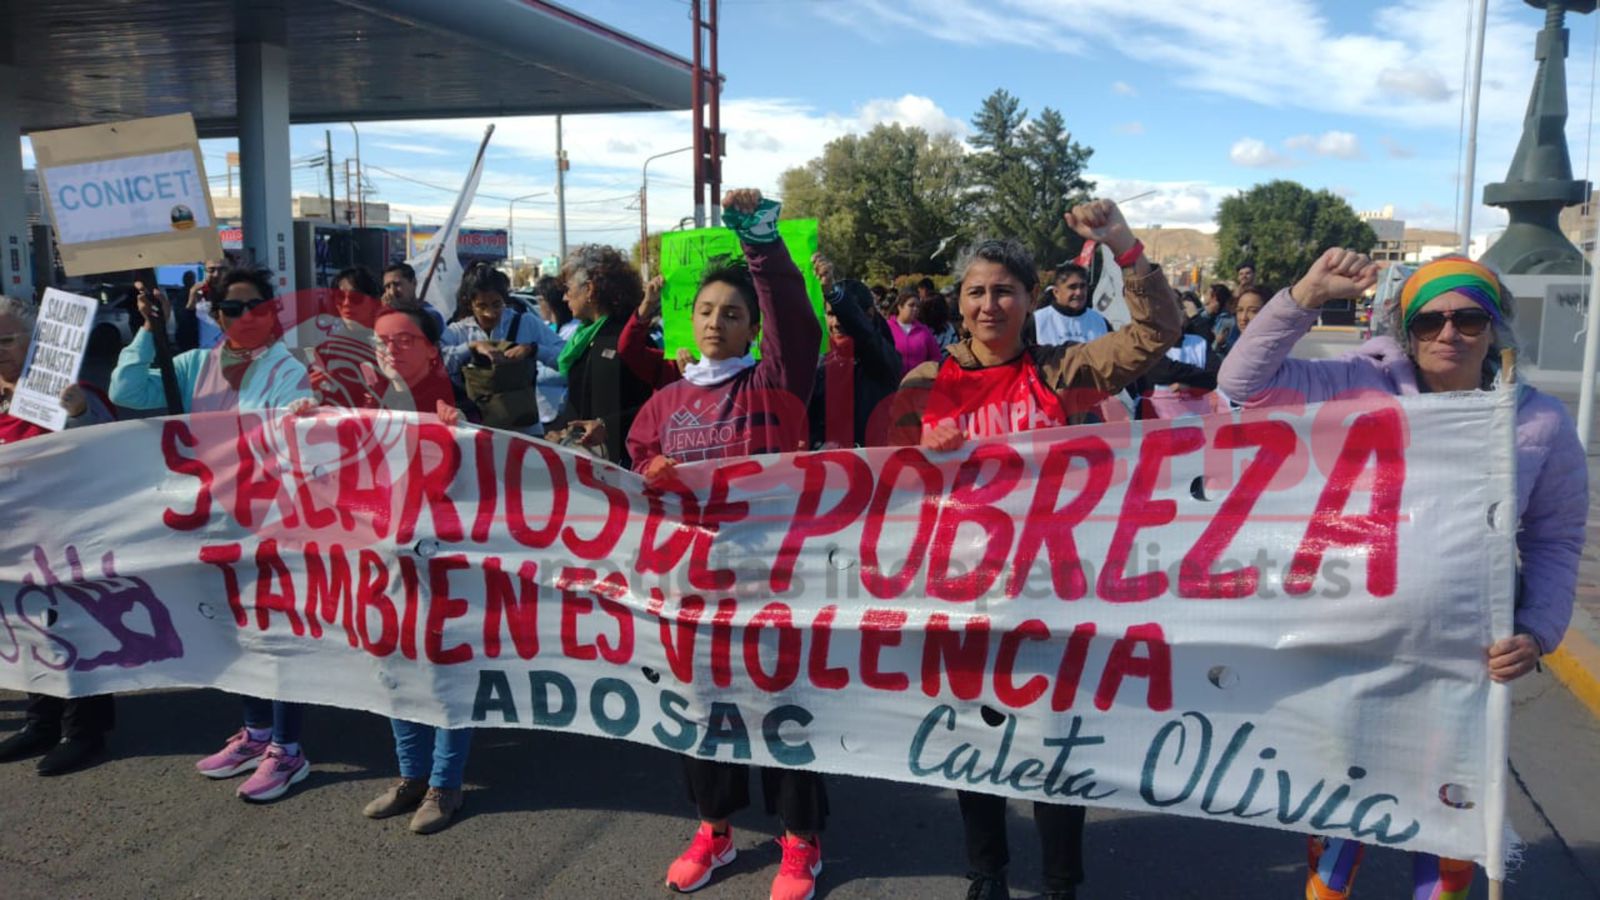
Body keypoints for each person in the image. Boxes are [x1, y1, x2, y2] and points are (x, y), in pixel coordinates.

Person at [1216, 252, 1587, 900]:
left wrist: (1538, 631)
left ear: (1495, 325)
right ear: (1406, 329)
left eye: (1469, 318)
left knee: (1445, 845)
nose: (1449, 333)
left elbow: (1555, 539)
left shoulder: (1540, 423)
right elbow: (1243, 388)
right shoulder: (1359, 385)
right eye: (1430, 320)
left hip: (1464, 670)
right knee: (1338, 834)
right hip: (1350, 662)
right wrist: (1303, 296)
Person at [913, 199, 1183, 900]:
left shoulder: (1065, 373)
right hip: (961, 602)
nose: (989, 303)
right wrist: (919, 450)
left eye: (1005, 289)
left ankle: (1062, 882)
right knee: (975, 744)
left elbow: (1157, 332)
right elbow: (882, 489)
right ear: (959, 303)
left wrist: (1124, 247)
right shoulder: (922, 386)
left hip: (1051, 595)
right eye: (976, 290)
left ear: (1031, 300)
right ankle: (987, 874)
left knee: (1055, 744)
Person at [626, 189, 826, 900]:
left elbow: (797, 327)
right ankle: (713, 828)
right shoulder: (661, 406)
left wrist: (762, 248)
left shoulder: (774, 382)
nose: (716, 322)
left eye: (733, 313)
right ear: (692, 319)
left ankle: (800, 841)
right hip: (693, 589)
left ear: (750, 329)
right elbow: (638, 482)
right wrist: (647, 477)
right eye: (707, 311)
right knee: (702, 708)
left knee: (784, 709)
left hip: (774, 583)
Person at [110, 266, 316, 803]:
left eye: (256, 307)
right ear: (216, 314)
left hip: (272, 520)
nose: (244, 317)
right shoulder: (193, 364)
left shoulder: (289, 369)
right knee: (235, 633)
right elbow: (126, 390)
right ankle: (257, 732)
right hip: (213, 521)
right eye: (232, 309)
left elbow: (276, 434)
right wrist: (149, 329)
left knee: (276, 634)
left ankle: (288, 750)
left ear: (272, 312)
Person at [0, 294, 118, 776]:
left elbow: (113, 449)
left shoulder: (73, 392)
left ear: (35, 341)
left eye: (6, 339)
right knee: (26, 631)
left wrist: (77, 415)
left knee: (73, 629)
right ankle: (40, 721)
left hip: (66, 538)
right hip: (12, 543)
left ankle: (83, 731)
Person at [546, 244, 654, 467]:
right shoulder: (582, 338)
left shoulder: (629, 338)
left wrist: (607, 426)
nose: (565, 298)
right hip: (584, 461)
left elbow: (655, 403)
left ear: (590, 289)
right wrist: (564, 433)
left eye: (568, 289)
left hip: (624, 464)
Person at [440, 263, 564, 435]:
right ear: (469, 304)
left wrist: (533, 349)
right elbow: (440, 367)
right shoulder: (458, 332)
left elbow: (564, 359)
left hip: (526, 431)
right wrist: (471, 347)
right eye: (481, 306)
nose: (490, 313)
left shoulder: (527, 323)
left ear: (505, 299)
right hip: (477, 432)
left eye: (496, 304)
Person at [809, 255, 902, 448]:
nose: (835, 323)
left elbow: (867, 336)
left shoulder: (883, 361)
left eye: (842, 314)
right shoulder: (820, 368)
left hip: (877, 471)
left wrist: (833, 294)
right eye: (830, 314)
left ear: (868, 315)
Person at [533, 275, 579, 427]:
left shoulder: (576, 330)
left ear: (550, 301)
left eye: (540, 300)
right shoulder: (544, 327)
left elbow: (568, 370)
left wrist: (531, 371)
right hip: (540, 412)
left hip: (562, 411)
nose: (538, 305)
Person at [1033, 262, 1112, 346]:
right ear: (1056, 292)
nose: (1078, 292)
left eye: (1082, 286)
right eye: (1072, 287)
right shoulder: (1037, 321)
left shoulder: (1100, 322)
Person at [381, 261, 446, 335]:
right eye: (388, 287)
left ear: (414, 283)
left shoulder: (432, 315)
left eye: (397, 284)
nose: (392, 292)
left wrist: (399, 311)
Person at [889, 288, 942, 375]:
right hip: (892, 382)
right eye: (911, 305)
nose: (915, 309)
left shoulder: (924, 331)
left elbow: (936, 358)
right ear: (900, 307)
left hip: (917, 383)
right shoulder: (887, 327)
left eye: (918, 306)